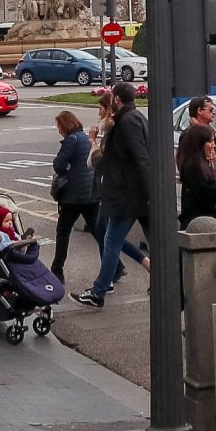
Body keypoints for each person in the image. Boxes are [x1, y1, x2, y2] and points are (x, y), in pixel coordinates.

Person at [82, 82, 152, 307]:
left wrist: (149, 190)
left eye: (111, 98)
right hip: (136, 192)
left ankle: (99, 291)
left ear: (117, 100)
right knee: (154, 242)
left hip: (128, 194)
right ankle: (166, 282)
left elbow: (140, 157)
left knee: (111, 240)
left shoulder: (128, 122)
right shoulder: (134, 118)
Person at [49, 108, 98, 282]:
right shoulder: (85, 138)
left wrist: (66, 167)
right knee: (98, 231)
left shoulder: (71, 140)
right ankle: (116, 266)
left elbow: (58, 165)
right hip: (90, 193)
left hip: (73, 196)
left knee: (62, 231)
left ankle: (57, 269)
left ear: (64, 125)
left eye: (59, 126)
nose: (58, 130)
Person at [177, 123, 216, 227]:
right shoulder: (193, 168)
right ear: (199, 144)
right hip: (199, 223)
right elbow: (204, 195)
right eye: (210, 141)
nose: (213, 145)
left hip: (205, 220)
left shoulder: (203, 164)